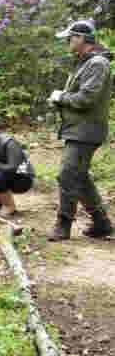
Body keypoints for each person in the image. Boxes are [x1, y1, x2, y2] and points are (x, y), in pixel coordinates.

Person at [47, 20, 113, 240]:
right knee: (80, 176)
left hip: (87, 131)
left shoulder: (97, 64)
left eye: (70, 37)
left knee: (67, 174)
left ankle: (63, 224)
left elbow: (86, 99)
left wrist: (61, 97)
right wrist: (60, 99)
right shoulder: (83, 62)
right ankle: (102, 222)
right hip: (78, 129)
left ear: (82, 39)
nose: (67, 41)